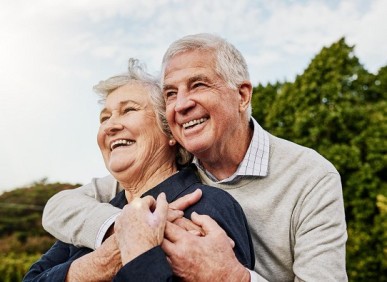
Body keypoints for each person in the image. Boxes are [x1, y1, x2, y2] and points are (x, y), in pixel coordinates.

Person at [42, 33, 348, 281]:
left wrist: (232, 277)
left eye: (198, 84)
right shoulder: (156, 179)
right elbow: (59, 207)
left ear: (242, 95)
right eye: (171, 93)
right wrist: (123, 229)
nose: (181, 104)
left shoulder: (311, 177)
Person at [23, 58, 255, 281]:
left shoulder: (207, 207)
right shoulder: (98, 218)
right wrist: (106, 258)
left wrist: (138, 251)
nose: (110, 126)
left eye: (129, 110)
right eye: (104, 118)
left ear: (169, 132)